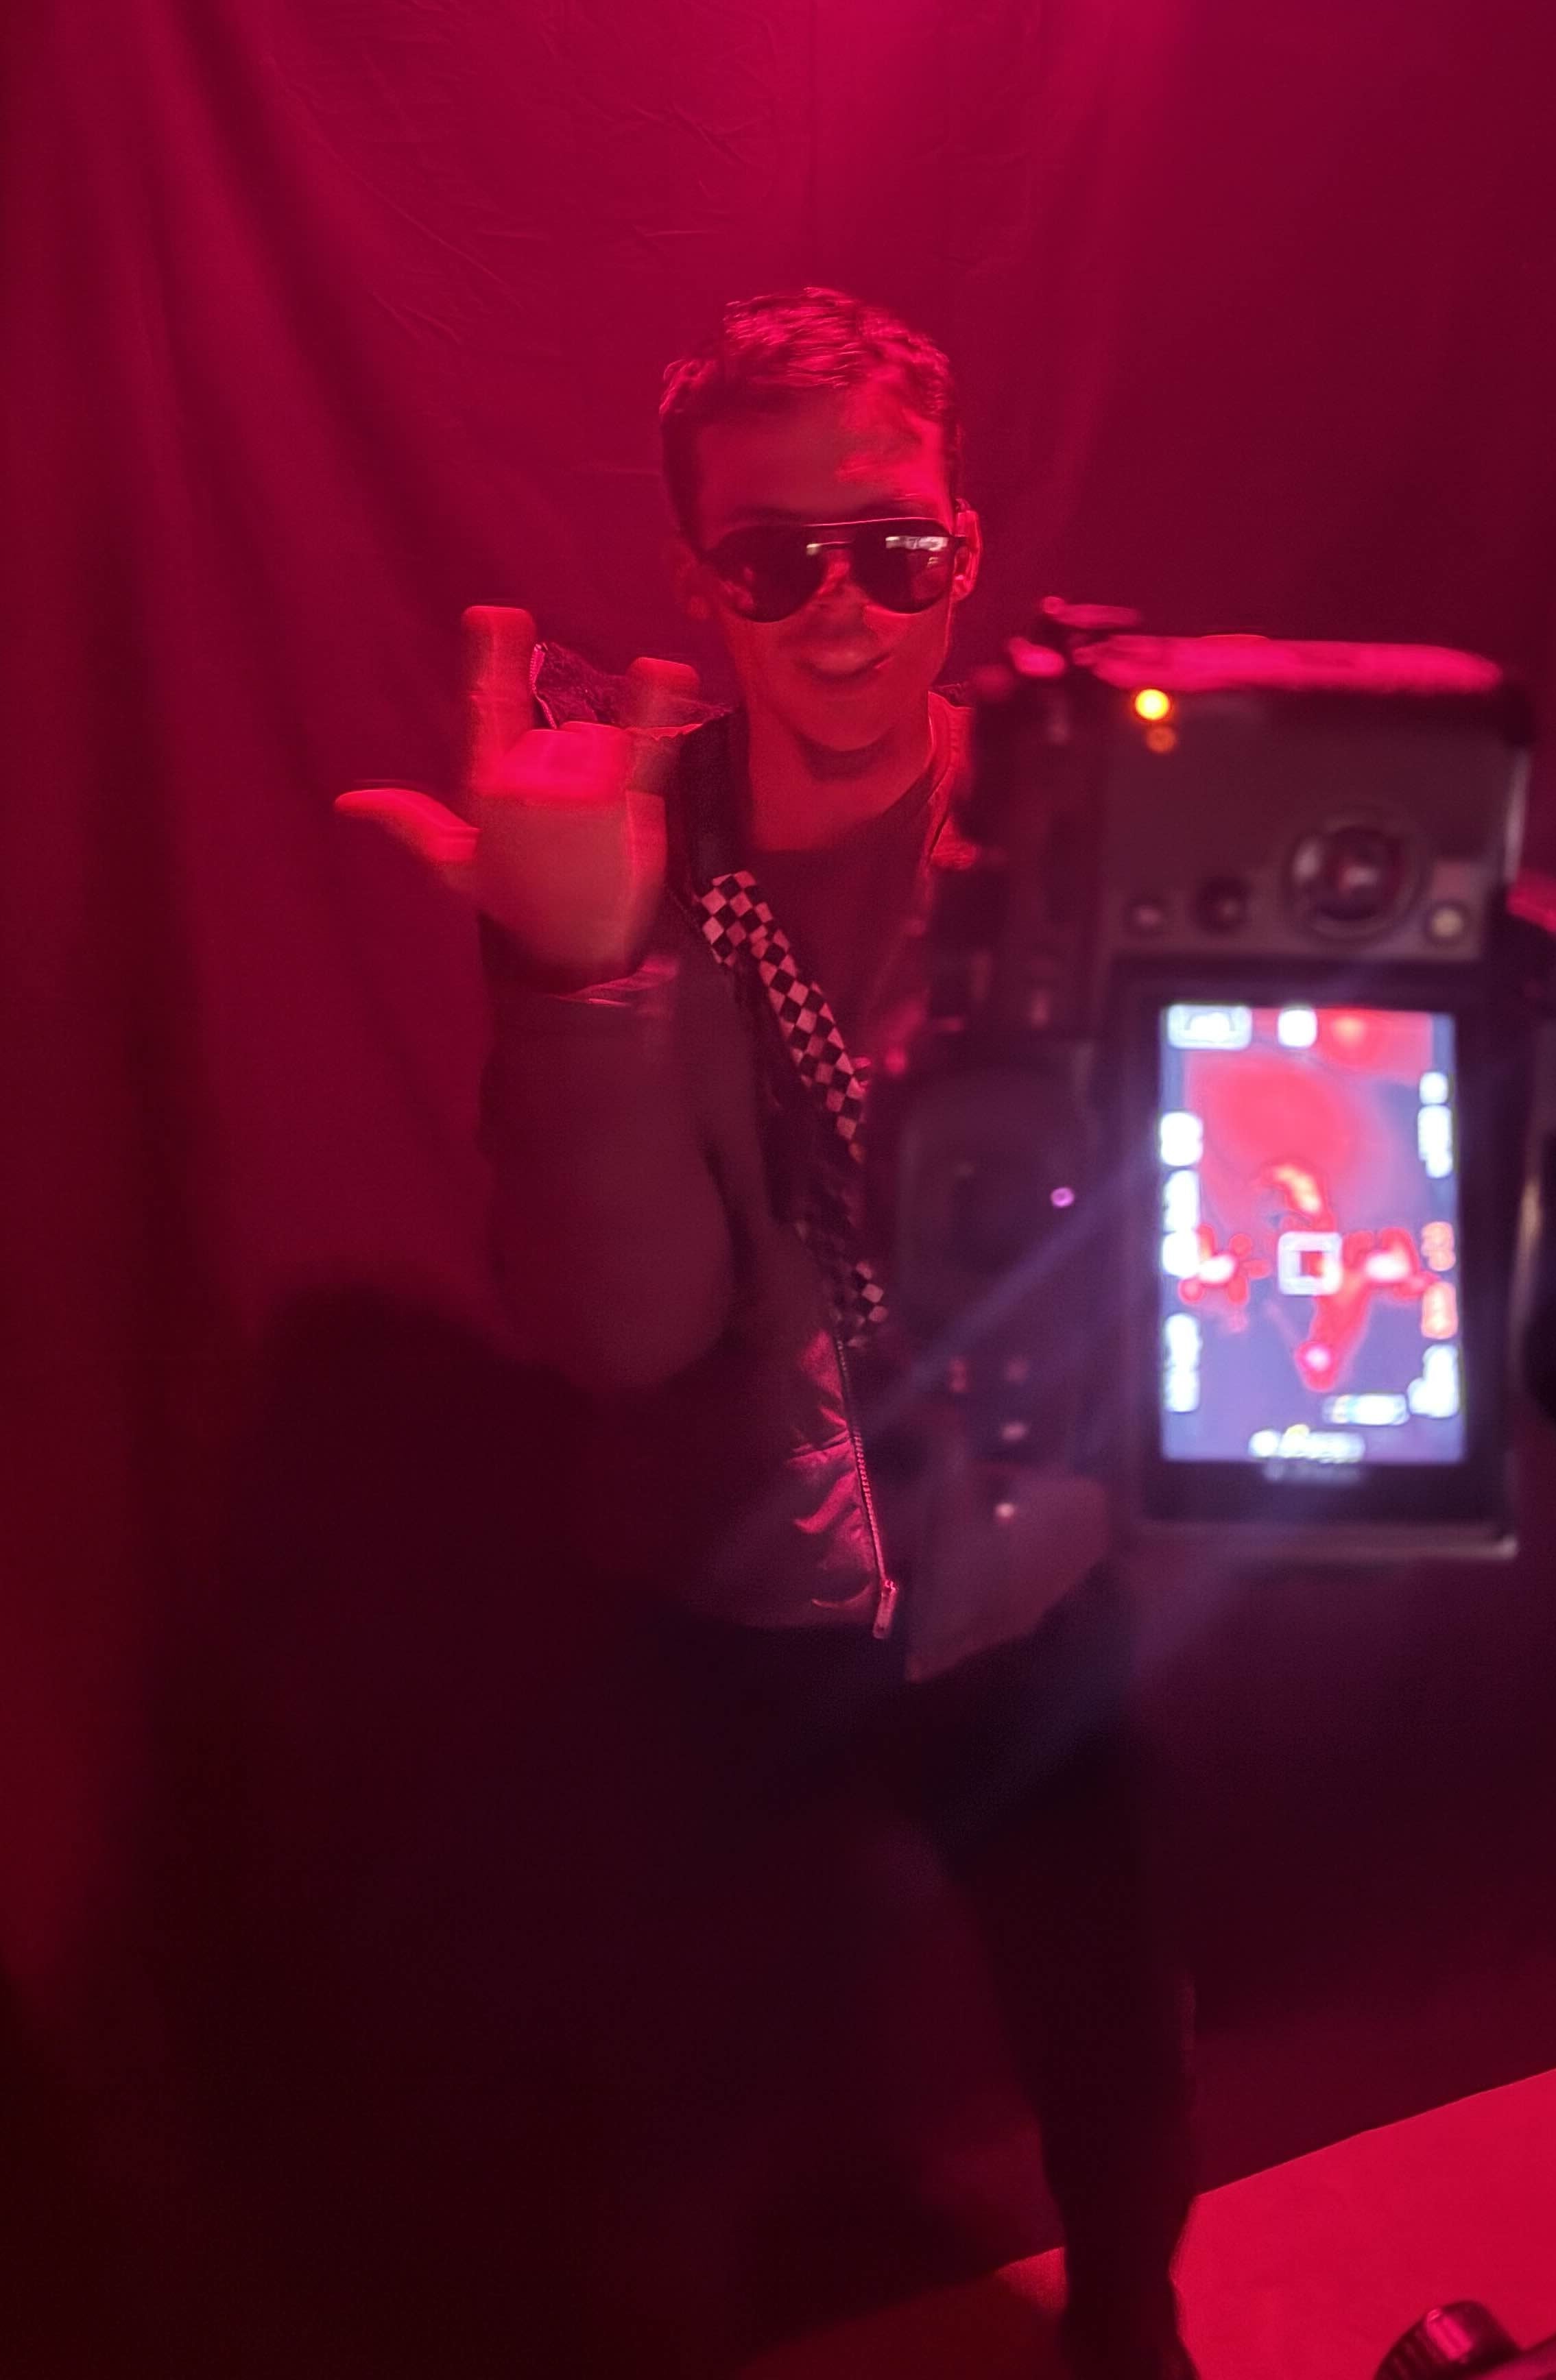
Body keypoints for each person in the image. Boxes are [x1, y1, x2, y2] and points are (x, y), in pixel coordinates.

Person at [340, 289, 1197, 2378]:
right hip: (725, 1562)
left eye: (891, 548)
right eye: (773, 556)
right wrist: (578, 975)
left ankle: (1131, 2322)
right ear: (696, 578)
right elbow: (624, 1331)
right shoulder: (607, 829)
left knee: (1106, 2011)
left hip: (1031, 1552)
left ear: (965, 552)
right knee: (669, 2086)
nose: (839, 608)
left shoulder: (1088, 812)